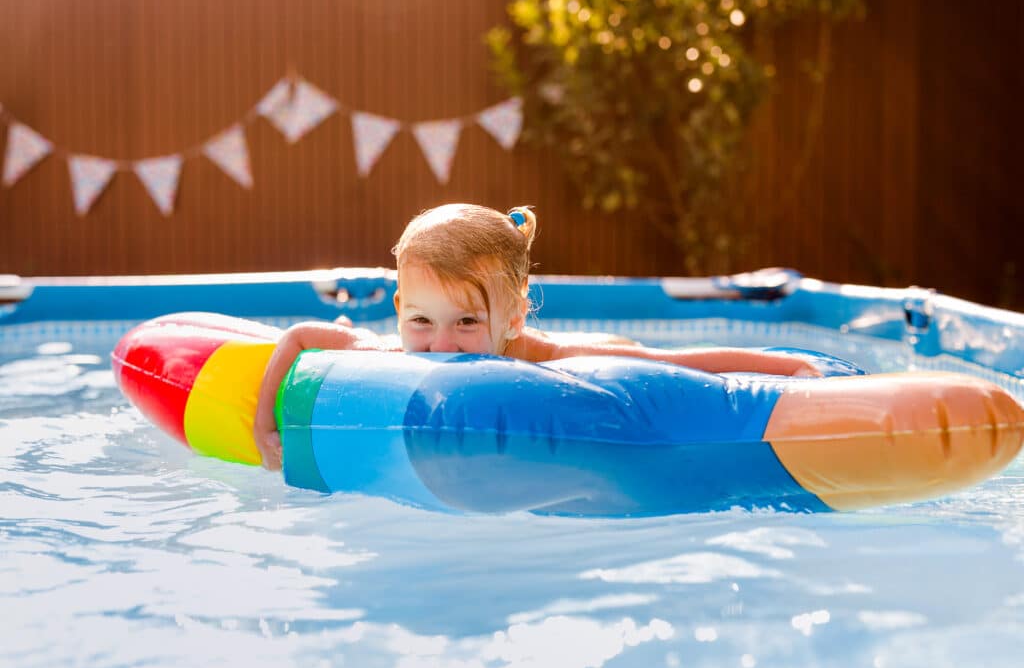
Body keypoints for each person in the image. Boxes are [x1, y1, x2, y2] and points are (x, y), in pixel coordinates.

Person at [253, 203, 821, 470]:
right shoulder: (397, 352)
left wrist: (781, 367)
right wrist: (265, 425)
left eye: (468, 323)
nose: (442, 346)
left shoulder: (543, 354)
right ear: (400, 309)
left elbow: (666, 360)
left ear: (514, 318)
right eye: (421, 322)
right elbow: (301, 337)